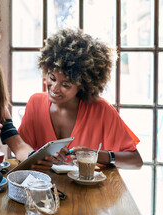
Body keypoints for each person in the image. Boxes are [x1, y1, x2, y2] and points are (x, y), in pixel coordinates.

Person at [18, 28, 143, 170]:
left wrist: (97, 155)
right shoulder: (35, 103)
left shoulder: (102, 110)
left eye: (65, 85)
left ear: (83, 85)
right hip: (41, 189)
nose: (54, 88)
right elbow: (20, 150)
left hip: (89, 191)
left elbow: (136, 161)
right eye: (52, 78)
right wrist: (43, 156)